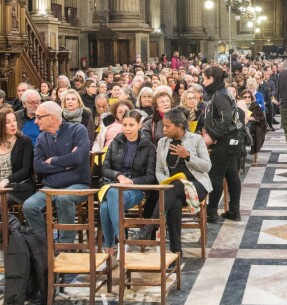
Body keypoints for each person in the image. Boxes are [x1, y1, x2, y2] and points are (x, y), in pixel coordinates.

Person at [134, 109, 212, 253]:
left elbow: (207, 167)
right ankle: (177, 251)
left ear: (180, 126)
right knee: (174, 203)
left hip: (197, 184)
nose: (163, 129)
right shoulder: (163, 143)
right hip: (173, 191)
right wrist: (165, 182)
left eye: (167, 126)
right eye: (163, 126)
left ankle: (150, 226)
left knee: (175, 187)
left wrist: (188, 156)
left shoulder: (196, 139)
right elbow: (159, 170)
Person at [23, 101, 91, 242]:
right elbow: (38, 167)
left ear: (52, 117)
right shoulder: (42, 138)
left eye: (39, 117)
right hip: (52, 186)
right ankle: (46, 242)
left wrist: (53, 160)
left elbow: (78, 158)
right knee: (29, 206)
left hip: (78, 184)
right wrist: (65, 165)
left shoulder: (78, 130)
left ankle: (65, 246)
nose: (35, 121)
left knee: (63, 198)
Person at [99, 110, 156, 256]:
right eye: (124, 125)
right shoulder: (115, 142)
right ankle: (121, 241)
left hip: (136, 188)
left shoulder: (148, 146)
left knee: (106, 206)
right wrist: (119, 176)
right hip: (113, 183)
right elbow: (105, 168)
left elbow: (150, 176)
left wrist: (131, 181)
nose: (127, 128)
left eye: (131, 125)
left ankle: (111, 246)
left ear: (139, 125)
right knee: (111, 194)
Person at [202, 65, 242, 223]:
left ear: (211, 79)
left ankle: (211, 213)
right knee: (231, 174)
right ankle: (234, 210)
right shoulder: (221, 92)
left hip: (226, 140)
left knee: (215, 176)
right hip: (232, 139)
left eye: (204, 79)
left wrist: (211, 135)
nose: (203, 82)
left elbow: (226, 120)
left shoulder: (219, 95)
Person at [0, 108, 34, 213]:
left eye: (14, 120)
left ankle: (3, 230)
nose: (13, 124)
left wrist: (7, 180)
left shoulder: (25, 141)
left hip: (19, 185)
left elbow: (26, 169)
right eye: (8, 122)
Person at [241, 90, 267, 164]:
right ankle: (240, 154)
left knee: (251, 130)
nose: (247, 98)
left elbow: (262, 118)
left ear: (252, 98)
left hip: (254, 125)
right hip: (241, 125)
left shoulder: (256, 106)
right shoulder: (238, 106)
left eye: (249, 97)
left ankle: (247, 134)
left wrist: (253, 118)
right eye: (245, 97)